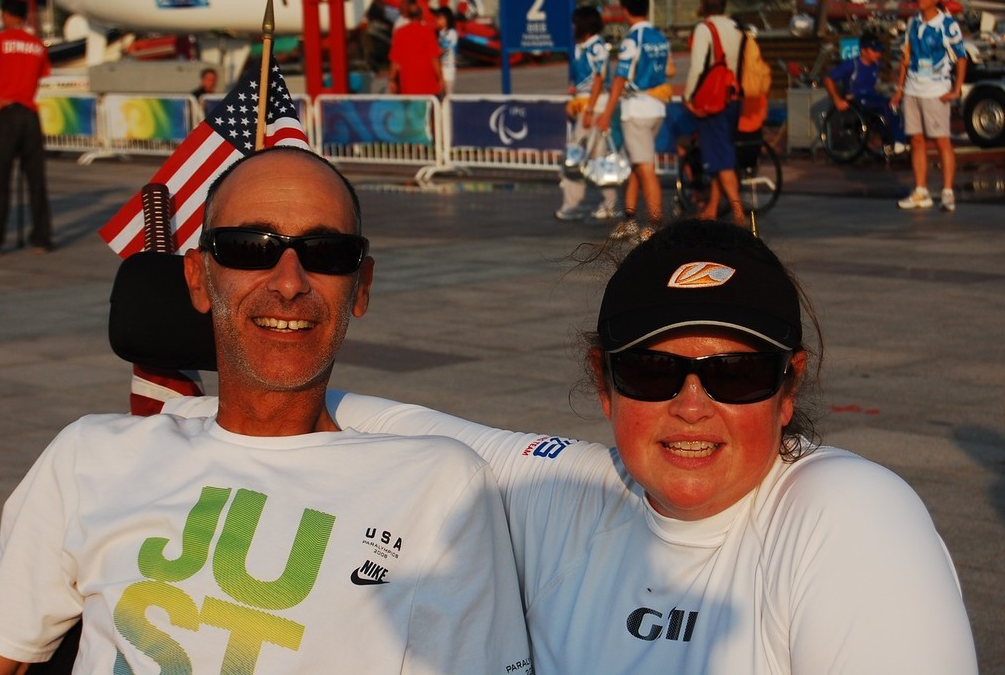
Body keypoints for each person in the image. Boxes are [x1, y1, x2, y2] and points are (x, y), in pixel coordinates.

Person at [321, 220, 978, 674]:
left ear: (787, 388)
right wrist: (220, 398)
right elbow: (405, 428)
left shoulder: (845, 514)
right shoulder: (577, 499)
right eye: (653, 372)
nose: (692, 405)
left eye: (735, 373)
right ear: (603, 383)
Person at [0, 148, 531, 674]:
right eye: (249, 247)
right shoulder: (89, 458)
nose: (290, 282)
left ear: (360, 287)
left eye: (326, 254)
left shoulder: (437, 487)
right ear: (198, 278)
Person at [595, 0, 671, 241]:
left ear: (625, 11)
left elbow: (619, 79)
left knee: (645, 169)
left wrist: (606, 113)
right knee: (637, 166)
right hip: (657, 108)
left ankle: (655, 225)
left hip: (636, 110)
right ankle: (629, 219)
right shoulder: (659, 37)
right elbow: (669, 69)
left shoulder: (632, 39)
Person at [0, 0, 52, 258]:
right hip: (29, 114)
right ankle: (42, 238)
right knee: (36, 180)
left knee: (1, 181)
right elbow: (42, 75)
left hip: (6, 112)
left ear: (9, 16)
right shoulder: (36, 44)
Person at [891, 0, 967, 212]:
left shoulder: (947, 24)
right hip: (913, 89)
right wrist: (899, 89)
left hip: (935, 90)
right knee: (916, 140)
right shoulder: (913, 22)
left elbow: (961, 57)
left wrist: (956, 89)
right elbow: (906, 56)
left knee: (942, 141)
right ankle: (920, 191)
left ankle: (947, 192)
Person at [683, 0, 745, 226]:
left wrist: (689, 97)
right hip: (733, 97)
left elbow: (698, 67)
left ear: (703, 5)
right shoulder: (736, 27)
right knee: (722, 152)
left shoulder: (704, 29)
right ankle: (712, 207)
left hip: (713, 101)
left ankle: (738, 213)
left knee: (721, 158)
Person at [556, 5, 619, 223]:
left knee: (590, 156)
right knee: (584, 155)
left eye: (576, 22)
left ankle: (583, 204)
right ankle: (575, 202)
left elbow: (599, 79)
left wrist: (590, 109)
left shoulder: (597, 47)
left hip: (594, 107)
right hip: (583, 105)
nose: (572, 26)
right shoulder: (579, 47)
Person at [822, 32, 907, 153]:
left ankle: (899, 139)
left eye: (879, 51)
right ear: (864, 51)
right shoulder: (851, 64)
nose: (878, 54)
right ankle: (896, 141)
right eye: (874, 51)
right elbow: (828, 79)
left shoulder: (875, 64)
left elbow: (891, 70)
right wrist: (837, 100)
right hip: (856, 99)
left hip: (871, 96)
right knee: (885, 106)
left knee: (894, 104)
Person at [387, 0, 443, 96]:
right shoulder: (428, 32)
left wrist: (392, 80)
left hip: (408, 82)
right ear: (421, 16)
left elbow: (394, 60)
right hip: (427, 83)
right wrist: (440, 78)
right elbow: (434, 58)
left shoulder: (400, 32)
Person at [434, 6, 457, 96]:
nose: (437, 20)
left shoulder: (451, 33)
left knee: (447, 97)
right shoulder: (437, 33)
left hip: (448, 71)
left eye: (440, 18)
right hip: (438, 70)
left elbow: (441, 50)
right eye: (437, 18)